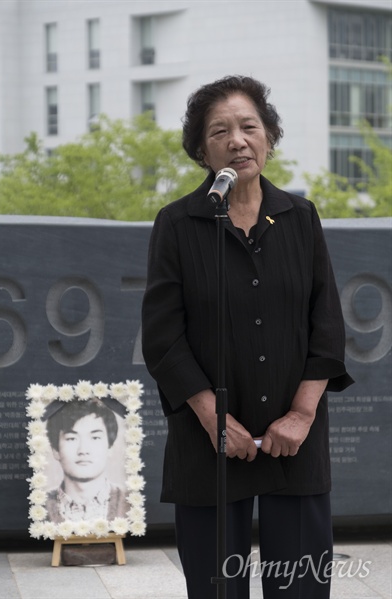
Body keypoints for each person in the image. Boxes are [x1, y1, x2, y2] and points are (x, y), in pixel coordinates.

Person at [141, 75, 354, 599]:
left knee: (301, 589)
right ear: (201, 149)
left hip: (294, 444)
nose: (237, 140)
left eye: (249, 127)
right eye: (220, 131)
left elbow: (325, 325)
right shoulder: (178, 224)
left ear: (268, 137)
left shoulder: (300, 217)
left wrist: (302, 415)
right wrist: (215, 420)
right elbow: (163, 337)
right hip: (208, 442)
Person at [45, 398, 128, 523]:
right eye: (71, 439)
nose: (83, 450)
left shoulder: (130, 501)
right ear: (55, 451)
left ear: (110, 447)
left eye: (95, 438)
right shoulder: (39, 506)